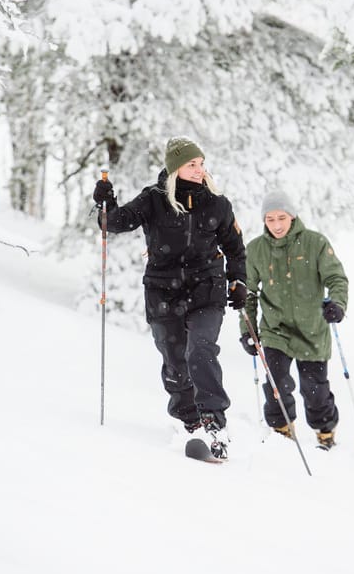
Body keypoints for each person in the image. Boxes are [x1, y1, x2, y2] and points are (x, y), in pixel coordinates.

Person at [92, 136, 247, 459]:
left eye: (201, 164)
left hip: (206, 291)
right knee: (175, 362)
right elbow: (116, 223)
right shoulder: (153, 199)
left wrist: (238, 281)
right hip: (163, 291)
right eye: (192, 164)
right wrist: (105, 204)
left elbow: (234, 248)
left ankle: (214, 423)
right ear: (175, 168)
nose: (199, 170)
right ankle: (189, 423)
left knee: (200, 350)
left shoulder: (217, 203)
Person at [238, 189, 348, 450]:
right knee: (276, 383)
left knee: (315, 390)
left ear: (292, 216)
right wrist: (248, 331)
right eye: (270, 219)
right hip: (276, 330)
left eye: (281, 218)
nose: (276, 225)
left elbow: (336, 278)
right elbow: (248, 293)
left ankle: (325, 432)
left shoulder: (315, 243)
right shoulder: (256, 250)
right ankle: (282, 431)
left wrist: (337, 304)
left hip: (312, 329)